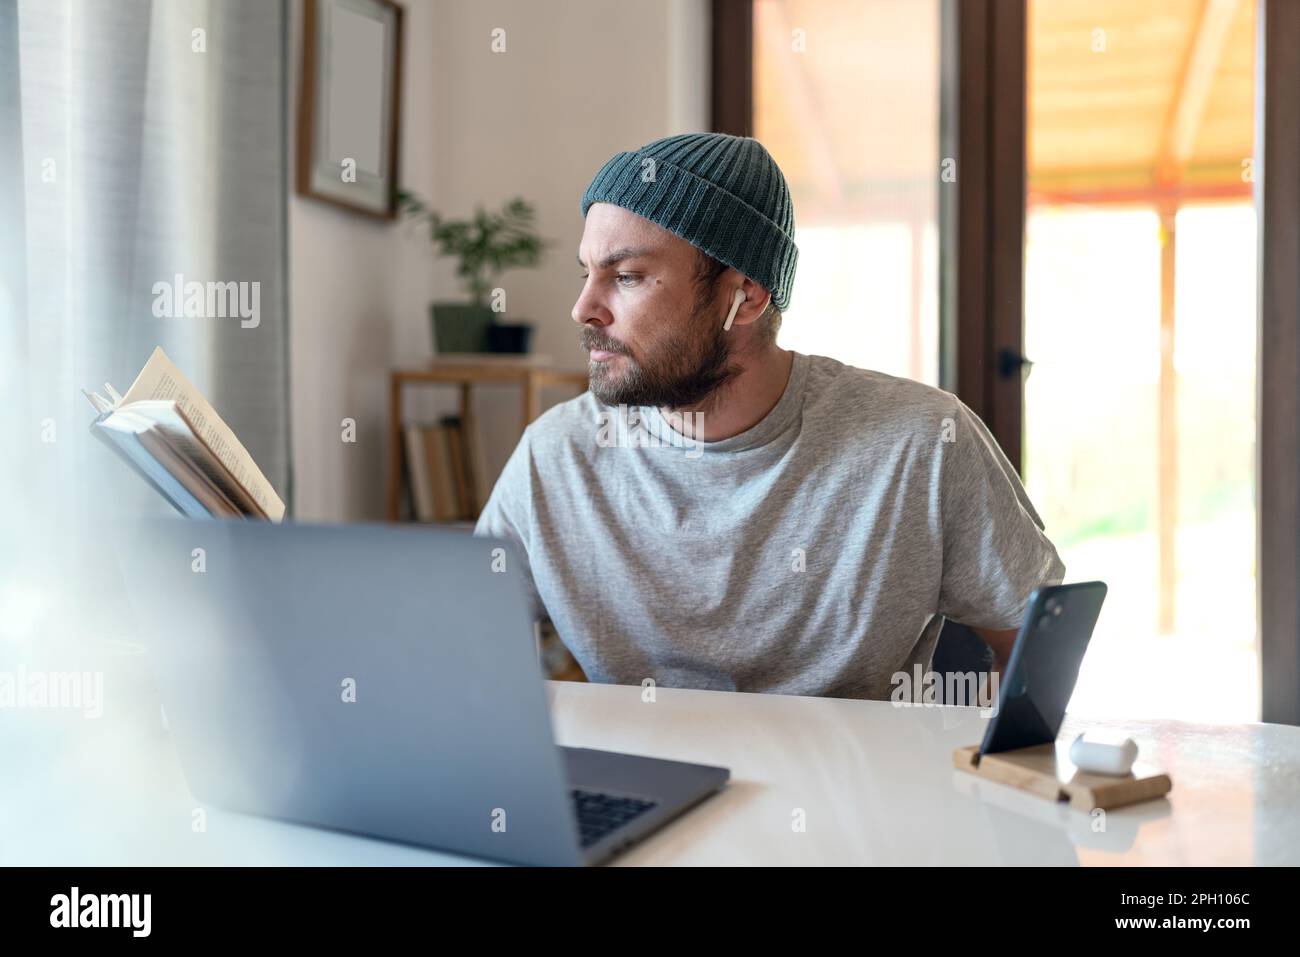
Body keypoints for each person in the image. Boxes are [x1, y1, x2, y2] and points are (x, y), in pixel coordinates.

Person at [475, 132, 1064, 700]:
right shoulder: (557, 455)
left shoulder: (921, 443)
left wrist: (962, 781)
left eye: (626, 277)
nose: (584, 308)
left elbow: (1036, 641)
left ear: (746, 297)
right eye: (587, 273)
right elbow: (465, 648)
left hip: (847, 794)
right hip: (644, 789)